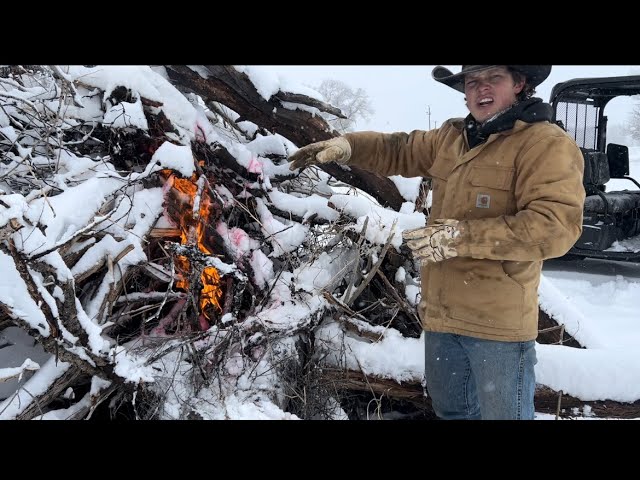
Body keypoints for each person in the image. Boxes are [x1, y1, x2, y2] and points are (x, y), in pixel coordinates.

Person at [288, 65, 585, 420]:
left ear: (520, 84)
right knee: (451, 414)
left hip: (497, 326)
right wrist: (347, 146)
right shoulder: (452, 138)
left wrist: (459, 237)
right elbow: (397, 148)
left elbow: (555, 227)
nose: (481, 89)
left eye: (493, 78)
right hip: (443, 318)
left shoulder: (544, 144)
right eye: (472, 81)